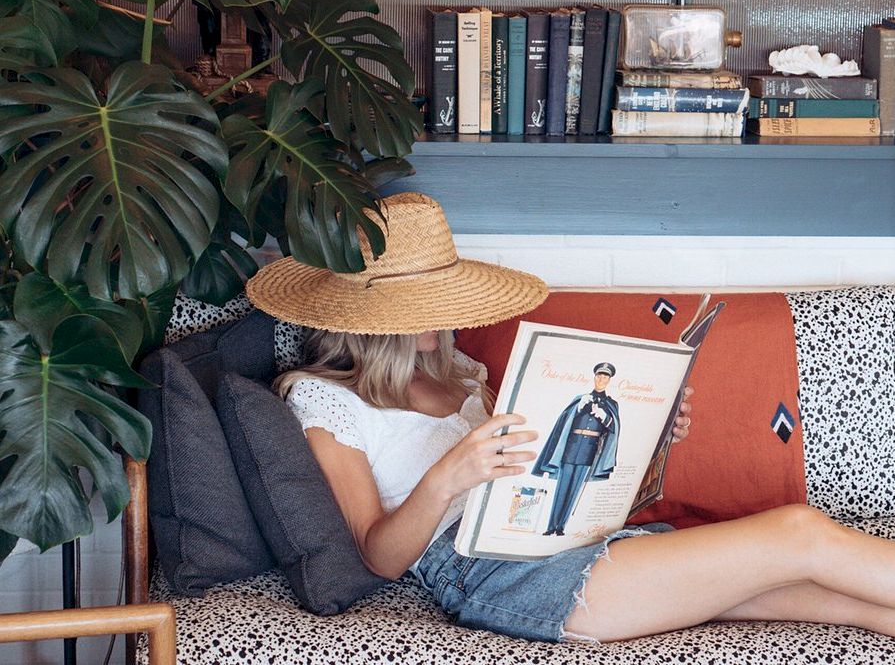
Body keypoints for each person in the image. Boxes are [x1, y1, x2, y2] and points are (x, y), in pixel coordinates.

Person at [246, 192, 895, 644]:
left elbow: (549, 470)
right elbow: (380, 556)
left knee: (846, 604)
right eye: (425, 302)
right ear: (368, 317)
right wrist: (451, 474)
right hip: (494, 575)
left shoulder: (458, 373)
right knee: (800, 534)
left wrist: (646, 430)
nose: (444, 316)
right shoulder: (323, 400)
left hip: (563, 539)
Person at [534, 362, 621, 537]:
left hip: (589, 450)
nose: (601, 379)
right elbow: (564, 421)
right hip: (571, 448)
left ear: (609, 380)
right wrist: (580, 407)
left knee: (574, 490)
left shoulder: (611, 404)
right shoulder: (580, 399)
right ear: (594, 377)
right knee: (562, 488)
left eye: (605, 377)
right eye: (599, 375)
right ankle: (551, 526)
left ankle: (561, 527)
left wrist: (604, 417)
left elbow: (613, 429)